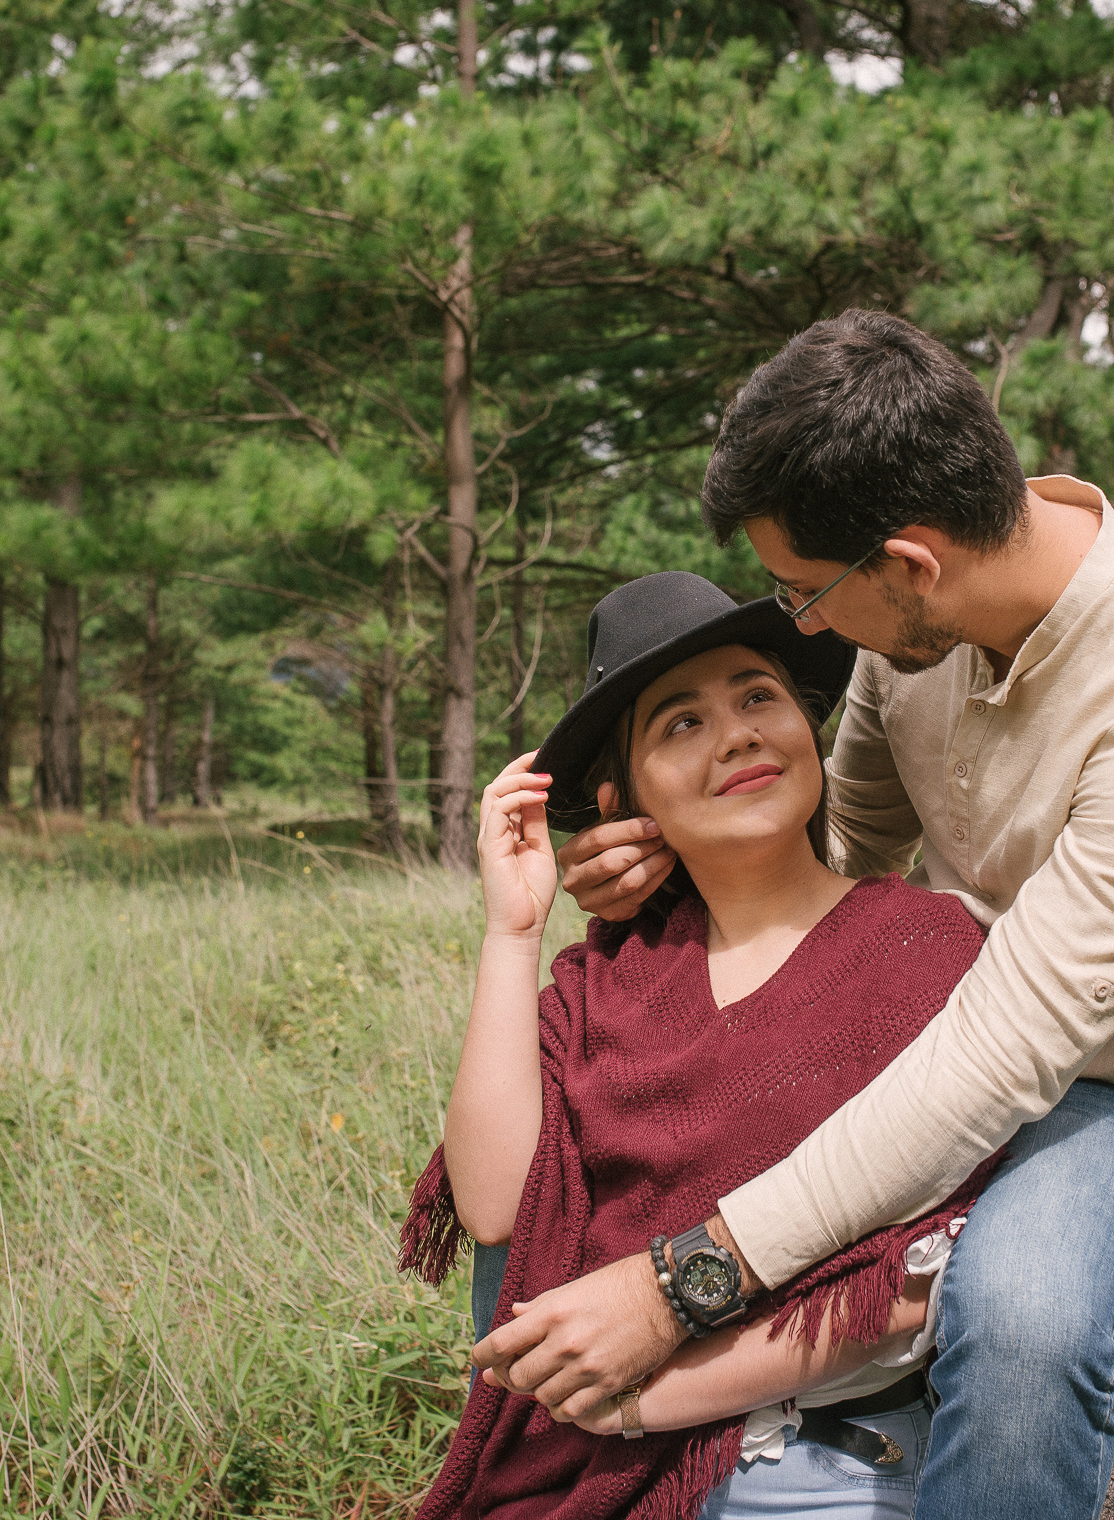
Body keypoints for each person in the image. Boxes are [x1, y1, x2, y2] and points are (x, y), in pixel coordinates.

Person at [471, 311, 1114, 1519]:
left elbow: (1009, 1056)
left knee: (1023, 1321)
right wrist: (664, 873)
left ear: (908, 564)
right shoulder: (913, 628)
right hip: (923, 1007)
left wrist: (677, 1289)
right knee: (577, 1172)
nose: (803, 626)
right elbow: (843, 848)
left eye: (805, 597)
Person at [401, 570, 1001, 1520]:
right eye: (681, 723)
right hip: (586, 1470)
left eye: (759, 696)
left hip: (828, 1469)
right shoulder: (614, 977)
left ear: (809, 729)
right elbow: (493, 1206)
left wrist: (639, 1400)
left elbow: (922, 1284)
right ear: (625, 797)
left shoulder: (928, 947)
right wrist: (512, 932)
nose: (737, 734)